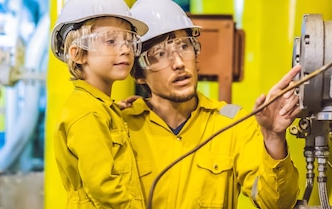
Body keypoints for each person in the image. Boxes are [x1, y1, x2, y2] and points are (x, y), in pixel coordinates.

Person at [120, 0, 301, 208]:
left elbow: (278, 203)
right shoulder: (122, 128)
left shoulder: (232, 125)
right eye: (160, 54)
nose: (179, 63)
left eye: (184, 46)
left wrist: (273, 138)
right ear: (138, 74)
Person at [50, 0, 149, 208]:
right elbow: (102, 186)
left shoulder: (99, 108)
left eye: (129, 40)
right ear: (78, 54)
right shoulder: (88, 113)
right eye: (111, 41)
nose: (125, 49)